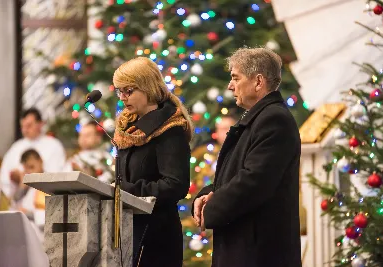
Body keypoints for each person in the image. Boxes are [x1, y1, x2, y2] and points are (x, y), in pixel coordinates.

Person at [193, 47, 302, 267]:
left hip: (260, 253)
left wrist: (210, 209)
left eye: (235, 78)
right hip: (248, 248)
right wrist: (206, 194)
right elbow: (233, 175)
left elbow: (254, 182)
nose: (230, 85)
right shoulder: (260, 118)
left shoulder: (273, 120)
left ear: (258, 81)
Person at [112, 56, 193, 267]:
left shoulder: (170, 129)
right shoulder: (129, 129)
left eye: (128, 91)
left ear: (147, 87)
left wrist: (127, 190)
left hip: (156, 237)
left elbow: (176, 185)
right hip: (127, 231)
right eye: (119, 91)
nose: (122, 97)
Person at [0, 108, 66, 202]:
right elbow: (4, 177)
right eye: (23, 126)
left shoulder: (54, 145)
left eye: (29, 125)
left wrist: (32, 176)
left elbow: (58, 176)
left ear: (40, 124)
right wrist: (14, 178)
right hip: (19, 201)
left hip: (44, 202)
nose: (25, 129)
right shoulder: (15, 147)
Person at [12, 149, 47, 242]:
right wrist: (22, 187)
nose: (29, 172)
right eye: (26, 169)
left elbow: (46, 215)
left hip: (39, 234)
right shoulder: (28, 184)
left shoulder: (49, 184)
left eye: (32, 167)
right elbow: (14, 202)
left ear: (40, 161)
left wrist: (27, 214)